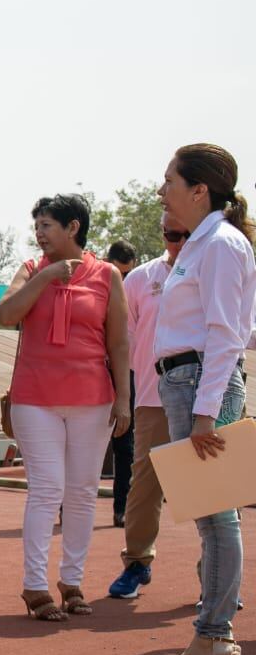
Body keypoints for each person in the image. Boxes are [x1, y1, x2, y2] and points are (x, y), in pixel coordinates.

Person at [0, 194, 130, 624]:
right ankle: (34, 586)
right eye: (36, 226)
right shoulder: (31, 269)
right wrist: (48, 276)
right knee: (48, 489)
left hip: (93, 398)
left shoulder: (107, 275)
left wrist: (124, 398)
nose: (39, 233)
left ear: (73, 228)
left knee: (82, 491)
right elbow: (6, 313)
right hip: (34, 398)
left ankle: (72, 582)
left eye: (47, 225)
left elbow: (119, 341)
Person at [153, 143, 254, 655]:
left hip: (199, 386)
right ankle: (212, 636)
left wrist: (206, 413)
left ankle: (215, 638)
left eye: (169, 180)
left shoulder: (219, 244)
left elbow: (224, 333)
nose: (161, 189)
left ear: (200, 189)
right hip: (186, 382)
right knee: (211, 516)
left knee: (217, 517)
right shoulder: (205, 243)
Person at [107, 213, 189, 600]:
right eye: (171, 234)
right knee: (145, 485)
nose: (178, 241)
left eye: (186, 234)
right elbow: (125, 342)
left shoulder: (216, 267)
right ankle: (137, 563)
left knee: (217, 490)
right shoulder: (140, 279)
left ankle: (218, 578)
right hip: (155, 398)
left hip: (210, 396)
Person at [104, 239, 141, 528]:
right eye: (119, 273)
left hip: (127, 373)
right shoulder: (94, 286)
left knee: (125, 446)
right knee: (80, 442)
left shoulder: (138, 290)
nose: (124, 280)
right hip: (93, 372)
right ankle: (68, 506)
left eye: (129, 274)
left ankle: (121, 509)